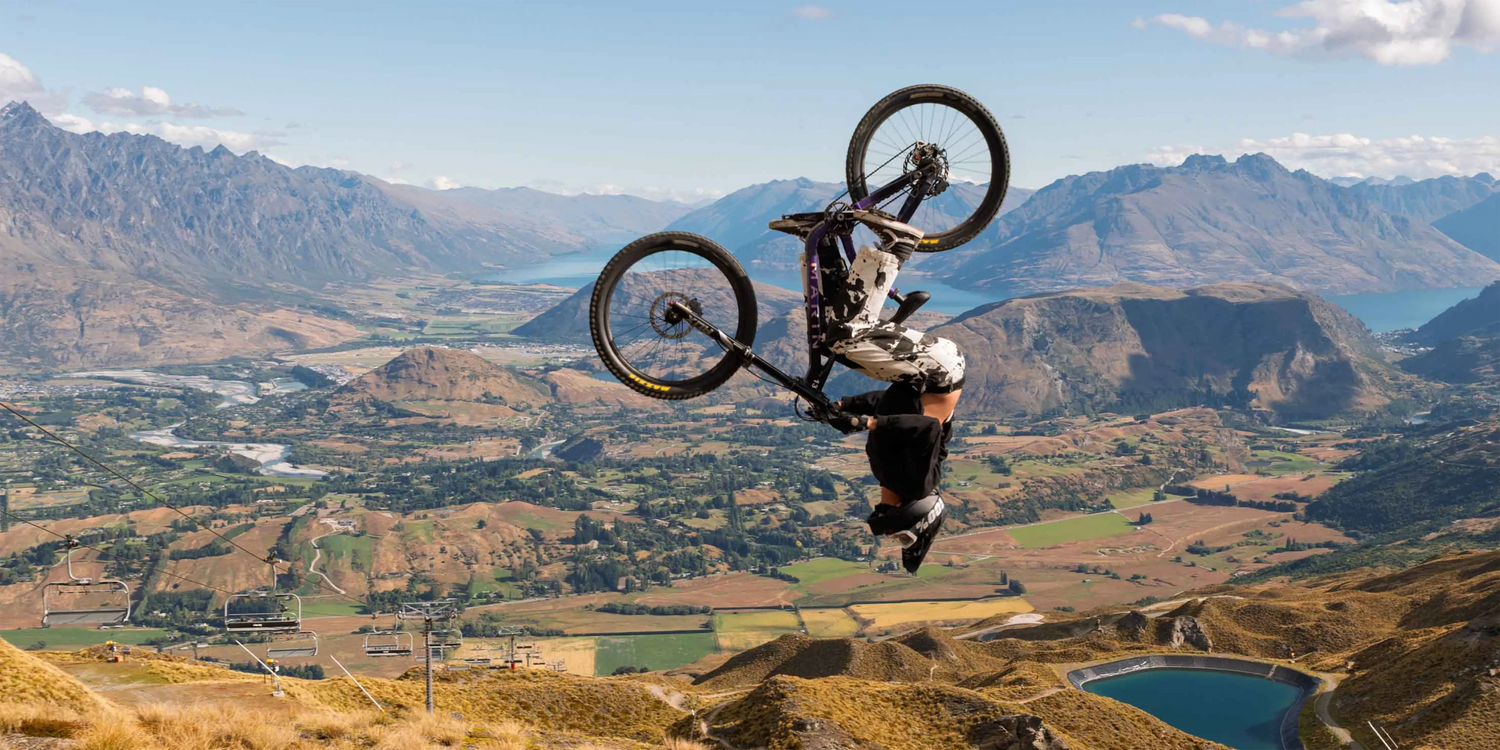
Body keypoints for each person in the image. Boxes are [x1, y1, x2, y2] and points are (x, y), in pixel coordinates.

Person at [770, 209, 965, 573]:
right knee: (847, 337)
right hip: (940, 371)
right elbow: (927, 427)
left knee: (832, 339)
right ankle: (897, 248)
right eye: (884, 511)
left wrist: (845, 407)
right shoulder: (919, 483)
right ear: (909, 510)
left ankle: (822, 242)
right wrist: (868, 424)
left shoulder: (888, 472)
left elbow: (889, 405)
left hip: (914, 380)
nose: (878, 506)